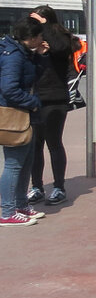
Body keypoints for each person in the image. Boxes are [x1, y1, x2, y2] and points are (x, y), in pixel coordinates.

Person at [27, 5, 83, 206]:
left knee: (54, 143)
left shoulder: (60, 38)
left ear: (48, 21)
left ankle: (59, 187)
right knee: (35, 146)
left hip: (56, 99)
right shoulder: (34, 39)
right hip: (35, 99)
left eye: (40, 20)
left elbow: (60, 48)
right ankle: (37, 187)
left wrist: (46, 27)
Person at [1, 17, 48, 227]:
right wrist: (33, 102)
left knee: (26, 161)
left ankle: (20, 204)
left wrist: (39, 57)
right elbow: (9, 89)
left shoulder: (23, 53)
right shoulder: (13, 56)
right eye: (39, 36)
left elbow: (31, 76)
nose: (42, 39)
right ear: (30, 37)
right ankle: (7, 210)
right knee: (14, 164)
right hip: (15, 114)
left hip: (25, 114)